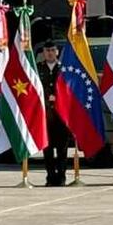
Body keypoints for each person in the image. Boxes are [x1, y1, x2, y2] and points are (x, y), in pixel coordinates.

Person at [37, 40, 69, 186]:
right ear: (43, 53)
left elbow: (69, 89)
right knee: (47, 149)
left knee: (62, 149)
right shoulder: (38, 69)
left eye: (52, 50)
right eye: (47, 50)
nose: (50, 53)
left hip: (61, 115)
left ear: (57, 52)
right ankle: (50, 177)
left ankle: (61, 177)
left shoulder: (64, 69)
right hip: (45, 116)